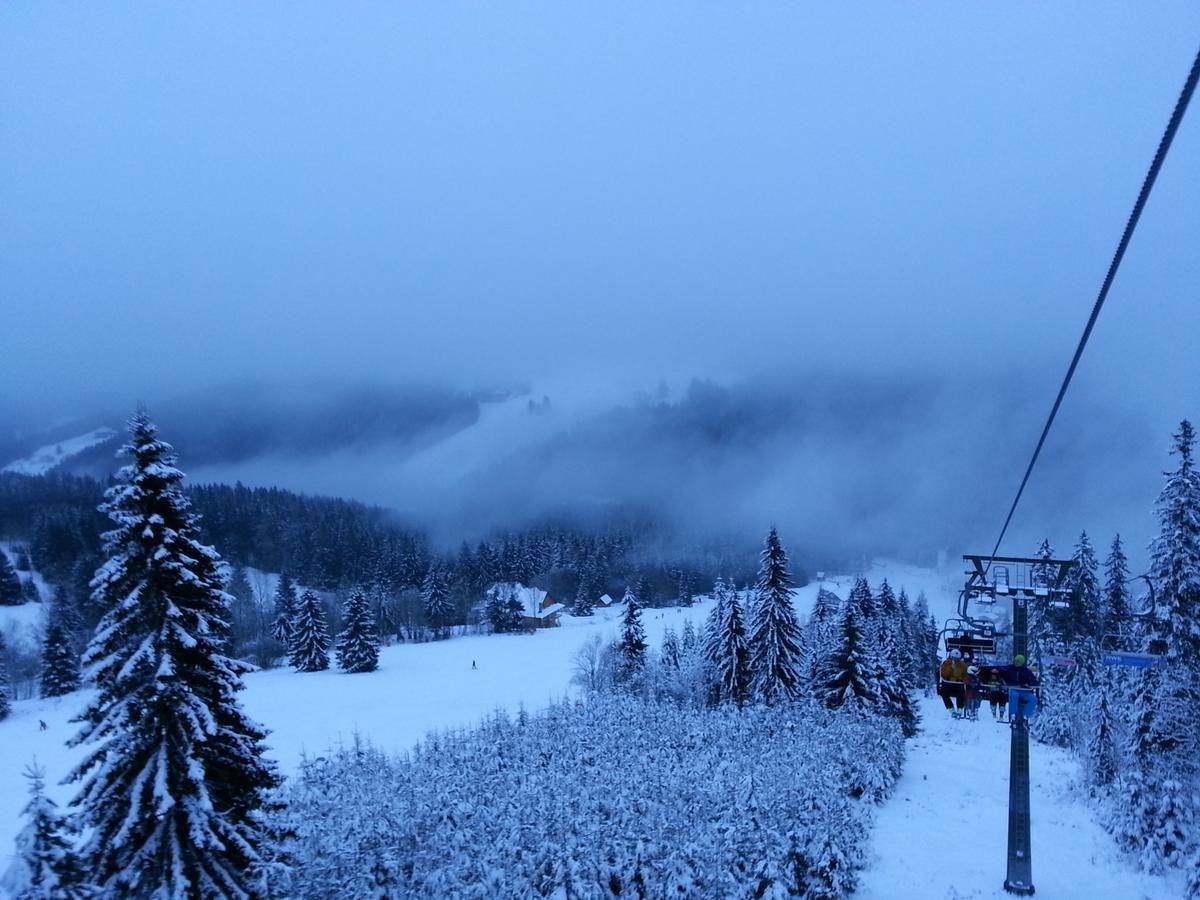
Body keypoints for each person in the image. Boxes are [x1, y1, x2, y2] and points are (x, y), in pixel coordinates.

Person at [1001, 654, 1040, 721]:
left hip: (1024, 691)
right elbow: (1003, 677)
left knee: (1033, 699)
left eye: (1018, 661)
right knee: (1014, 695)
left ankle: (1026, 715)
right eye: (1015, 661)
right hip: (1013, 689)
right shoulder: (1010, 669)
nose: (1016, 662)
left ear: (1022, 662)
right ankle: (1013, 714)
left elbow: (1034, 681)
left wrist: (1028, 684)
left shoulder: (1027, 671)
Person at [938, 649, 968, 717]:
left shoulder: (962, 665)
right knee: (943, 692)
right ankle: (951, 709)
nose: (955, 660)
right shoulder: (946, 663)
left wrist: (961, 679)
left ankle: (960, 708)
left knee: (961, 692)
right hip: (948, 682)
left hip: (958, 683)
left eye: (957, 659)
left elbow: (965, 675)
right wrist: (951, 667)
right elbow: (943, 674)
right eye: (953, 658)